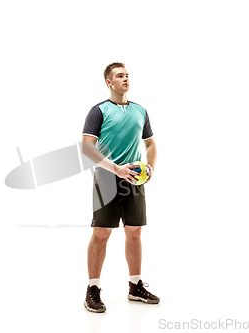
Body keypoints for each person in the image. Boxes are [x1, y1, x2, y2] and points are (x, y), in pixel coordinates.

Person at [81, 62, 160, 313]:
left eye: (127, 75)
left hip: (134, 179)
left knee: (134, 232)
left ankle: (135, 286)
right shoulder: (99, 111)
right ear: (109, 82)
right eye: (119, 76)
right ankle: (93, 289)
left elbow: (150, 145)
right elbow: (86, 147)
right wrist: (116, 169)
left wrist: (150, 169)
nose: (125, 79)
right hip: (106, 178)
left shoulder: (140, 110)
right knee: (102, 233)